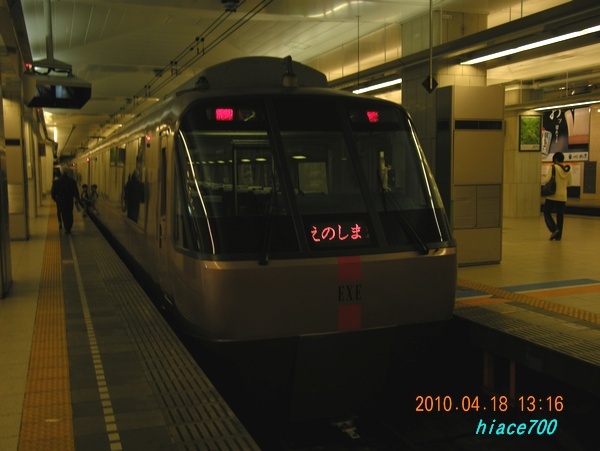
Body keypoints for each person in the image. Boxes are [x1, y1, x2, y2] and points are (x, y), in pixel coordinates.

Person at [542, 152, 572, 241]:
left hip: (552, 195)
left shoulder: (553, 168)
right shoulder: (568, 169)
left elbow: (546, 180)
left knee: (546, 212)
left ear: (555, 159)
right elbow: (569, 184)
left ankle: (554, 229)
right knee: (560, 215)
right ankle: (558, 236)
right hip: (563, 196)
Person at [50, 166, 82, 234]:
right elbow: (75, 192)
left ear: (61, 172)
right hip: (69, 200)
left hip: (60, 200)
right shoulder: (72, 181)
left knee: (63, 213)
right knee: (69, 213)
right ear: (67, 172)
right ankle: (69, 227)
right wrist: (77, 199)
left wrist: (55, 199)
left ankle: (66, 227)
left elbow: (53, 192)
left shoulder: (57, 182)